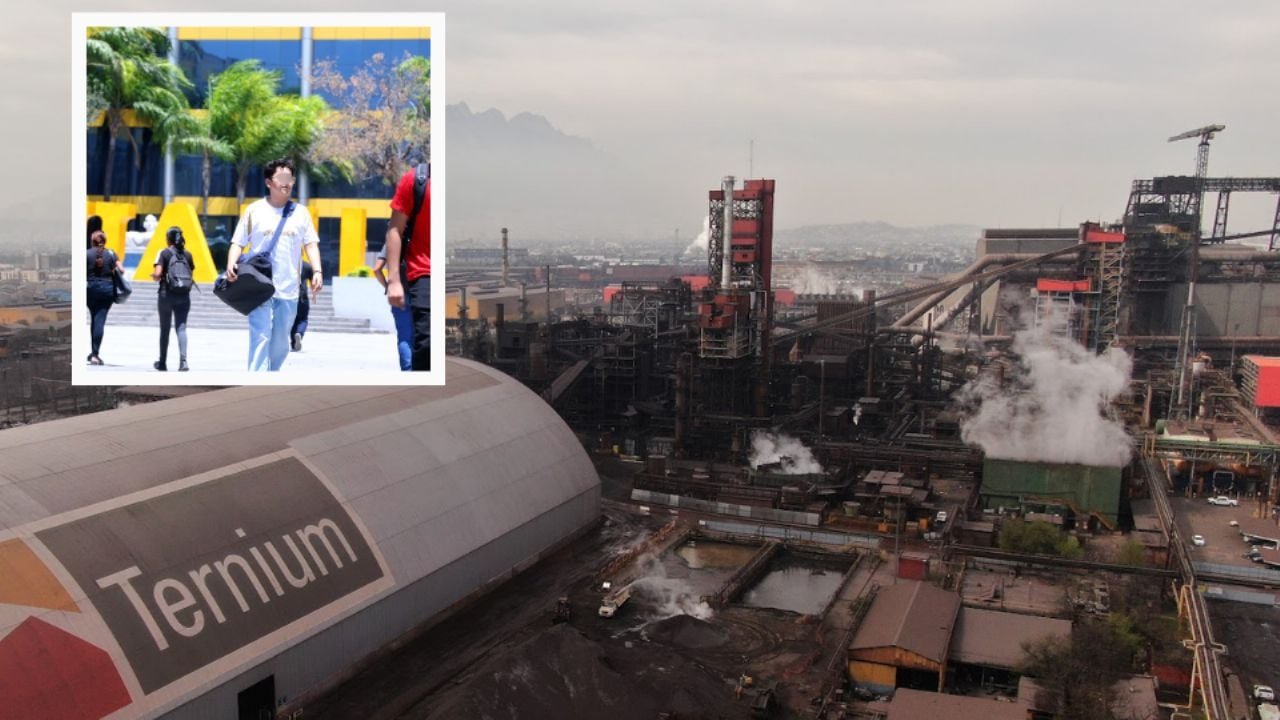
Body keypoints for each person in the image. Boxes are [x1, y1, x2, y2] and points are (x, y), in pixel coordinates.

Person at [225, 158, 323, 371]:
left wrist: (317, 270)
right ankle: (256, 382)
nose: (287, 183)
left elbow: (311, 245)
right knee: (260, 336)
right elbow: (237, 242)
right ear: (269, 182)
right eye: (282, 178)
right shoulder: (254, 210)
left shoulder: (301, 213)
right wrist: (231, 263)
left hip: (289, 289)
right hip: (259, 286)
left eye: (290, 178)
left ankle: (271, 373)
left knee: (280, 343)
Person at [384, 163, 431, 370]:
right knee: (426, 343)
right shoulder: (415, 180)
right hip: (423, 273)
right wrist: (393, 281)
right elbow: (395, 230)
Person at [151, 226, 194, 371]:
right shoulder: (187, 254)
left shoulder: (164, 253)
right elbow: (190, 273)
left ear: (168, 239)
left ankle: (162, 363)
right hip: (184, 296)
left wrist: (154, 276)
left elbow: (158, 274)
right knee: (181, 328)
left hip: (166, 294)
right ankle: (183, 362)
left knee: (165, 329)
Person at [373, 244, 413, 370]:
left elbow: (376, 269)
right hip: (421, 291)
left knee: (405, 336)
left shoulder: (393, 237)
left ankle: (408, 371)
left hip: (399, 294)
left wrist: (387, 286)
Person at [85, 230, 121, 365]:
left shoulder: (86, 254)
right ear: (104, 241)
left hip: (90, 289)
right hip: (107, 289)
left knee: (94, 318)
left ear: (92, 241)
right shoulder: (111, 254)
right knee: (99, 320)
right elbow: (122, 270)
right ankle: (95, 353)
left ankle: (93, 352)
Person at [290, 260, 317, 352]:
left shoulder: (289, 263)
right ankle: (299, 333)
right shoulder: (307, 266)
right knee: (303, 319)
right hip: (303, 297)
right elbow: (313, 282)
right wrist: (314, 295)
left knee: (293, 321)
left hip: (290, 296)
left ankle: (293, 343)